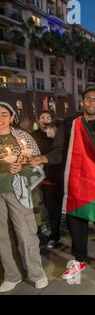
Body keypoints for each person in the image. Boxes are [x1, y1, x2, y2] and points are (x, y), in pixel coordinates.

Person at [32, 87, 95, 281]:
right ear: (82, 102)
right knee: (77, 222)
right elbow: (60, 149)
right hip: (75, 181)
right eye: (88, 99)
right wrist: (44, 159)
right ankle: (79, 259)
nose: (91, 102)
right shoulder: (70, 123)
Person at [0, 102, 48, 292]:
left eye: (4, 114)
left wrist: (22, 168)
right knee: (2, 237)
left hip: (17, 191)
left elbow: (36, 165)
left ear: (12, 117)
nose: (0, 118)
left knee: (26, 234)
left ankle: (36, 273)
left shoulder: (23, 138)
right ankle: (12, 275)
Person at [31, 110, 63, 249]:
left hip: (61, 177)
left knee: (62, 208)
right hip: (44, 178)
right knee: (49, 208)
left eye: (48, 117)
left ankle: (64, 232)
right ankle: (53, 235)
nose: (46, 120)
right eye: (42, 117)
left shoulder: (58, 136)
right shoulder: (33, 137)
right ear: (38, 120)